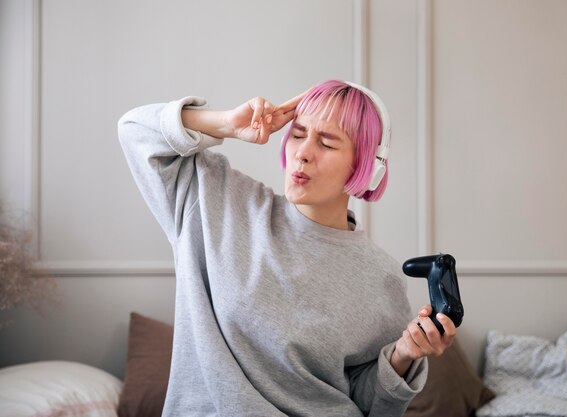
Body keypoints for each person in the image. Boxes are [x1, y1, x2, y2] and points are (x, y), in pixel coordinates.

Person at [118, 79, 456, 417]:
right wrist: (228, 124)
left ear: (366, 166)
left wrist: (402, 356)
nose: (303, 153)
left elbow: (369, 404)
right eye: (297, 135)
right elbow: (133, 130)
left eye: (326, 143)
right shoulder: (216, 201)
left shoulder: (381, 278)